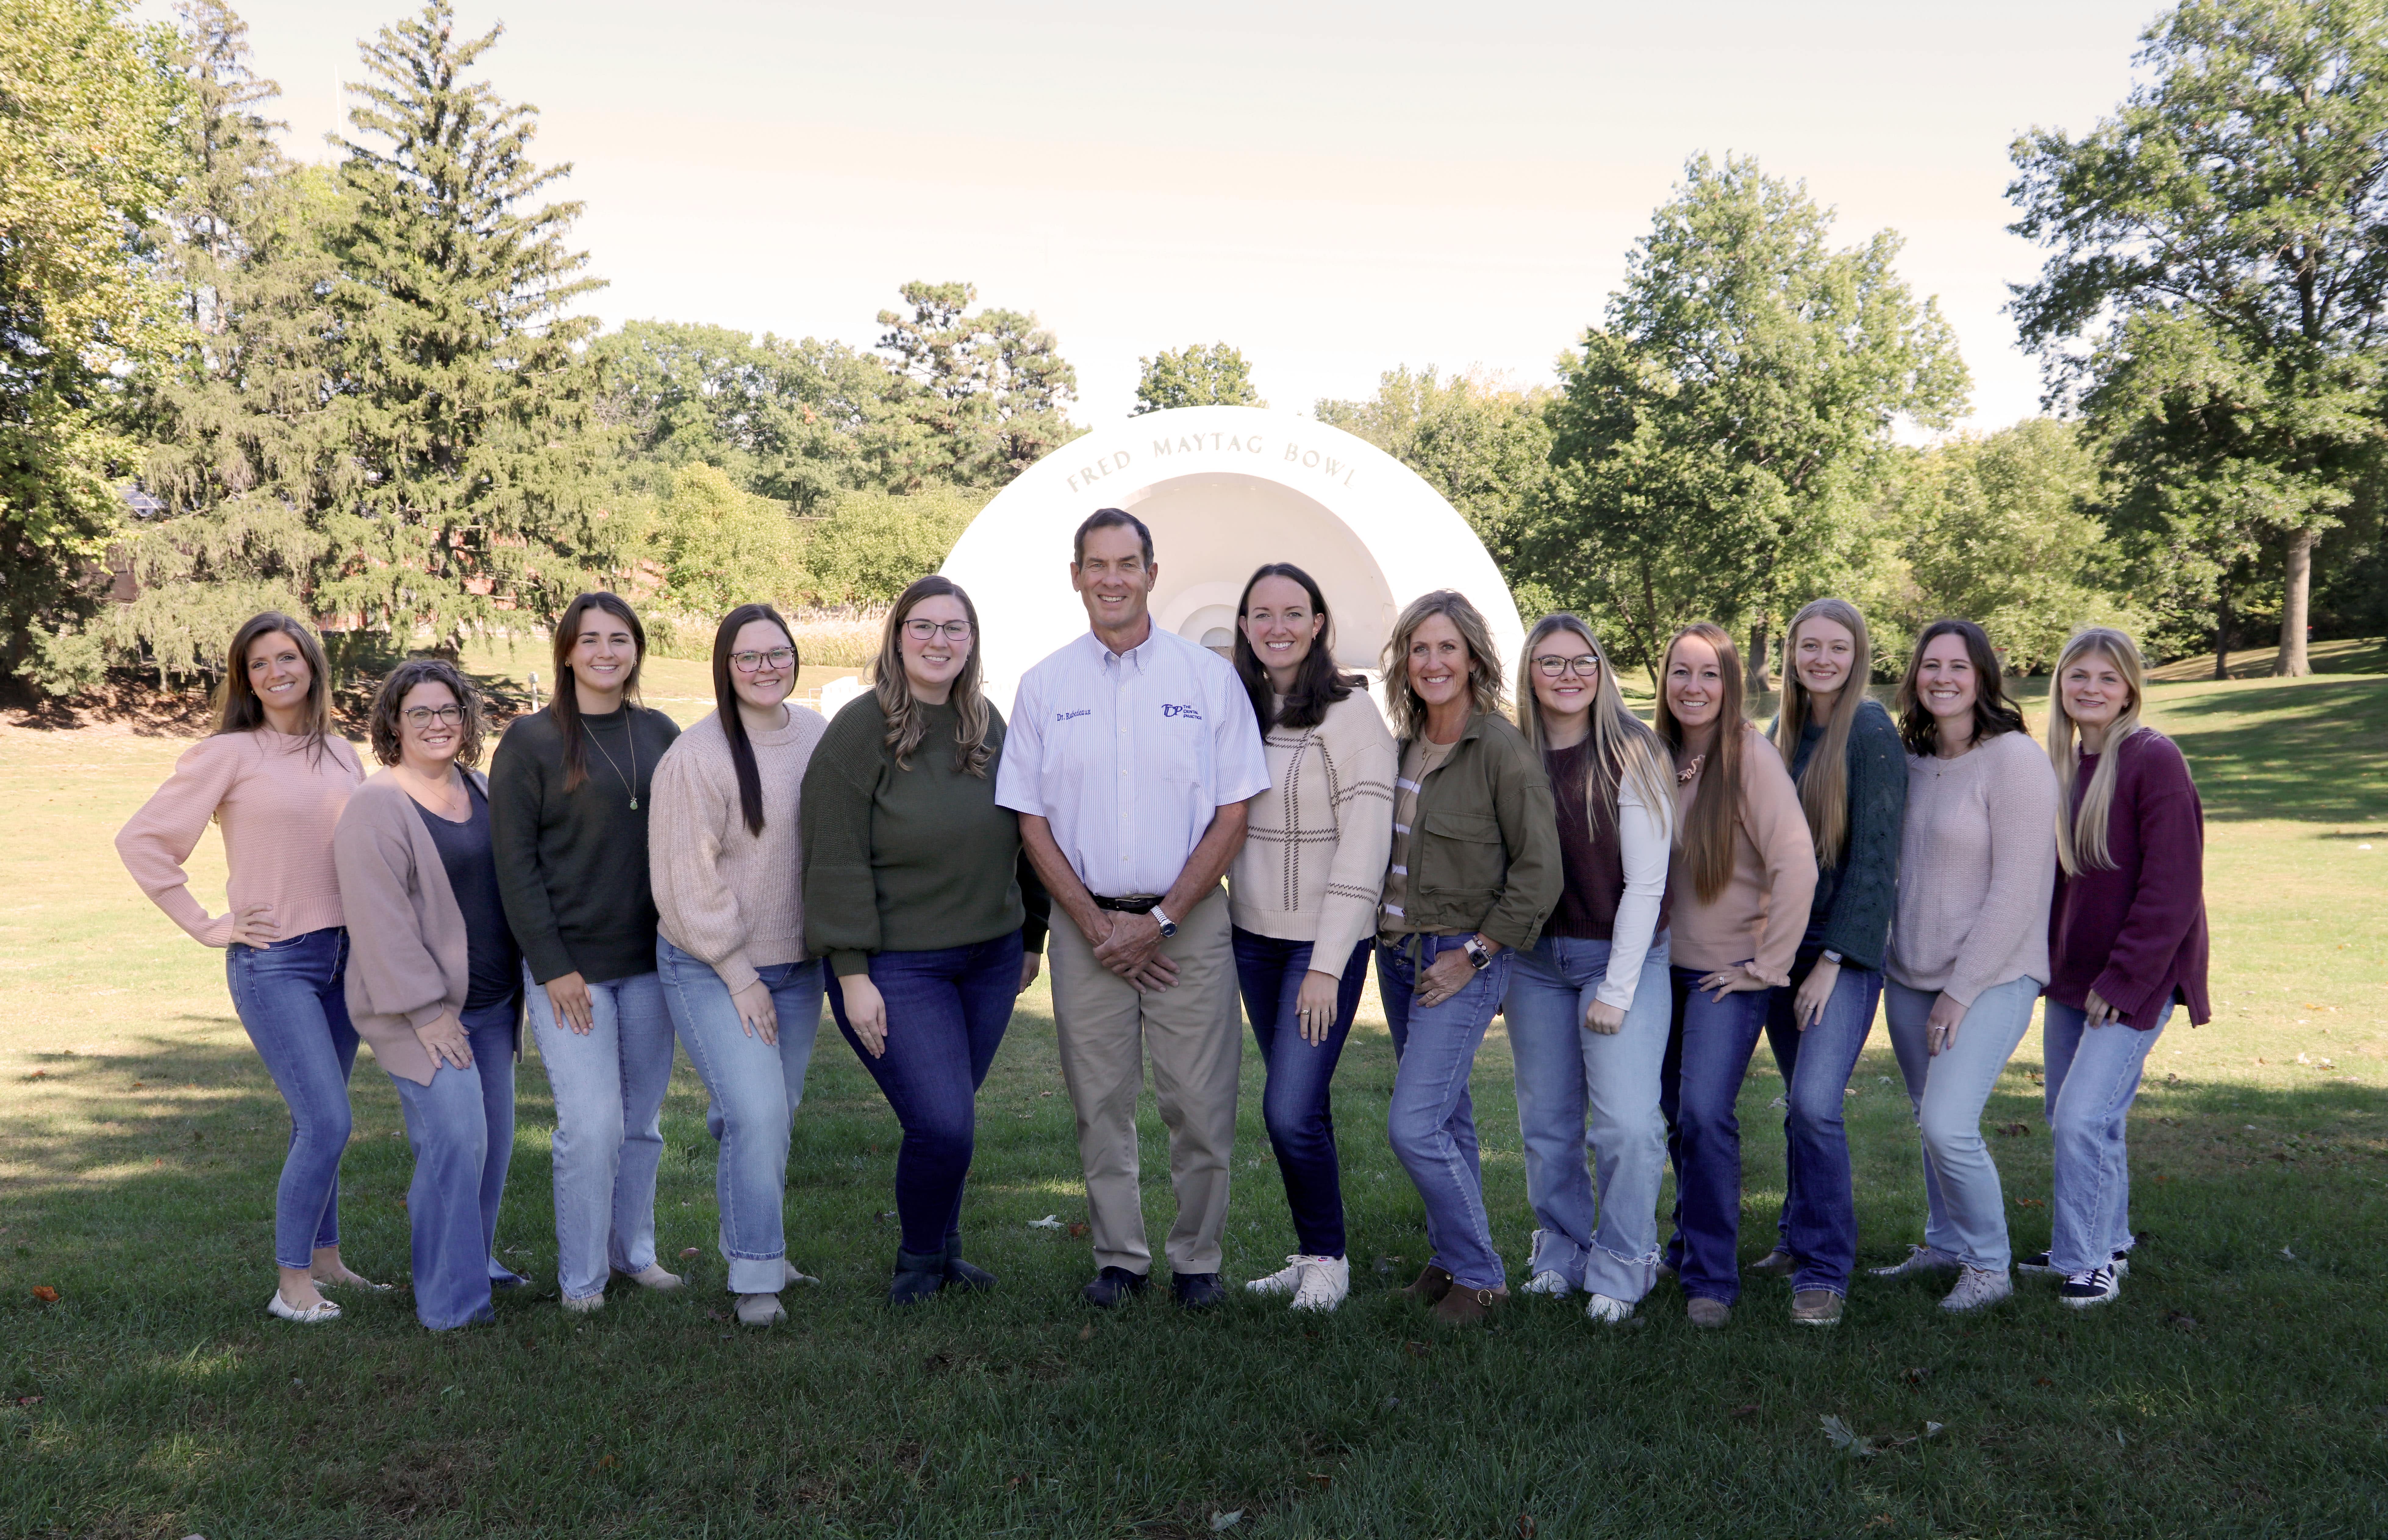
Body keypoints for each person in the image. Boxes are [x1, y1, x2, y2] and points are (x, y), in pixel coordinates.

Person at [996, 508, 1270, 1310]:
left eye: (1127, 562)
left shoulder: (1205, 679)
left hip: (1191, 924)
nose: (1111, 577)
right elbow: (1030, 819)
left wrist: (1161, 920)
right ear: (1075, 576)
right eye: (1096, 564)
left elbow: (1233, 813)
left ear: (1153, 572)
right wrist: (1092, 924)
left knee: (1199, 1101)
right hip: (1088, 929)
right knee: (1101, 1101)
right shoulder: (1046, 684)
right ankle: (1120, 1257)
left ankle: (1197, 1260)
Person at [117, 613, 374, 1323]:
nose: (274, 672)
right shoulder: (228, 754)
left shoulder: (343, 753)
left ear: (312, 665)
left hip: (344, 960)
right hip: (274, 963)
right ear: (246, 680)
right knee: (327, 1121)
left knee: (315, 1123)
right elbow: (141, 841)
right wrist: (207, 924)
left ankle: (328, 1263)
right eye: (257, 665)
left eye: (286, 657)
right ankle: (292, 1287)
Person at [803, 577, 1050, 1306]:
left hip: (991, 958)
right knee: (941, 1121)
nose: (939, 641)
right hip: (895, 968)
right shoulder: (860, 728)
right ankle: (916, 1267)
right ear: (897, 636)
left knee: (954, 1118)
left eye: (955, 628)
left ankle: (945, 1255)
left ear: (971, 642)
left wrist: (1032, 932)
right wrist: (851, 975)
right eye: (924, 627)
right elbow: (832, 855)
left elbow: (1029, 831)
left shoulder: (987, 723)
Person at [490, 592, 684, 1313]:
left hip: (653, 967)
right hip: (569, 971)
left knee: (641, 1125)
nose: (607, 652)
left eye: (621, 639)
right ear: (567, 651)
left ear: (636, 650)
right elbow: (514, 866)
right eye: (591, 639)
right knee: (592, 1125)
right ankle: (582, 1282)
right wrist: (552, 966)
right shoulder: (530, 742)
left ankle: (633, 1254)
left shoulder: (661, 732)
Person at [1376, 590, 1560, 1326]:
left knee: (1412, 1126)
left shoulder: (1501, 752)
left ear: (1474, 657)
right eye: (1420, 649)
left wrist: (1477, 956)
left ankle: (1483, 1277)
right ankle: (1452, 1259)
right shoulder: (1405, 745)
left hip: (1458, 958)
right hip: (1397, 953)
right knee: (1447, 1120)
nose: (1432, 662)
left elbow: (1538, 874)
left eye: (1446, 648)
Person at [1870, 618, 2059, 1314]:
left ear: (1983, 677)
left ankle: (1989, 1266)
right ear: (1914, 677)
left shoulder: (2014, 760)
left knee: (1950, 1123)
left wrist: (1960, 990)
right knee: (1928, 1119)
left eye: (1957, 666)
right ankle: (1945, 1242)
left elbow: (2017, 889)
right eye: (1929, 666)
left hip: (1992, 976)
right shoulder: (1913, 759)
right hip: (1909, 974)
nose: (1941, 678)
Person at [333, 659, 527, 1330]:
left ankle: (476, 1261)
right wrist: (427, 1013)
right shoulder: (377, 805)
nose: (438, 724)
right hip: (421, 1012)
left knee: (492, 1146)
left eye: (450, 711)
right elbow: (378, 920)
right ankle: (452, 1303)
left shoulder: (479, 787)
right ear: (394, 722)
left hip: (496, 1007)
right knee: (455, 1142)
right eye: (421, 713)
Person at [651, 604, 829, 1327]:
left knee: (768, 1117)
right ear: (725, 667)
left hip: (798, 963)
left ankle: (757, 1240)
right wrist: (738, 974)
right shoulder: (697, 757)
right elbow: (685, 885)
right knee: (755, 1113)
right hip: (710, 962)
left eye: (777, 653)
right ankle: (756, 1276)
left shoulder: (817, 734)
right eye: (748, 657)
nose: (766, 667)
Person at [1224, 563, 1395, 1313]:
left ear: (1319, 622)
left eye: (1294, 613)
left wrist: (1327, 967)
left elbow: (1364, 847)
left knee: (1288, 1109)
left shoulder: (1351, 714)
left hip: (1320, 950)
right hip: (1251, 941)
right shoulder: (1240, 709)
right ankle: (1315, 1251)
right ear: (1244, 625)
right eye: (1262, 614)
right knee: (1304, 1105)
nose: (1278, 627)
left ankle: (1331, 1262)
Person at [2024, 626, 2208, 1307]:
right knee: (2075, 1114)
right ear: (2060, 685)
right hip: (2075, 978)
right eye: (2079, 676)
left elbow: (2172, 888)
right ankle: (2110, 1237)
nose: (2090, 689)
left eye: (2106, 678)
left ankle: (2088, 1258)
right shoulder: (2066, 763)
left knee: (2081, 1118)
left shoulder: (2152, 759)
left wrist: (2125, 979)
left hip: (2134, 978)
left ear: (2130, 687)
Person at [1503, 613, 1678, 1325]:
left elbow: (1646, 884)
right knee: (1547, 1124)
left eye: (1582, 662)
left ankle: (1627, 1260)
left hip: (1620, 956)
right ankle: (1561, 1252)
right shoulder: (1514, 753)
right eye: (1551, 663)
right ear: (1530, 674)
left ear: (1601, 671)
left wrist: (1616, 989)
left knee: (1629, 1125)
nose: (1568, 676)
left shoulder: (1633, 751)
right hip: (1536, 963)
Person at [1744, 598, 1907, 1326]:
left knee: (1814, 1104)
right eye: (1808, 646)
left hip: (1839, 955)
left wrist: (1832, 961)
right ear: (1790, 654)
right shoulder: (1783, 733)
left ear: (1857, 654)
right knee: (1796, 1103)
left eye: (1836, 647)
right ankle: (1794, 1234)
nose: (1821, 659)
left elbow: (1875, 864)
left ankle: (1824, 1268)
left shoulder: (1868, 732)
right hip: (1782, 948)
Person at [1655, 622, 1816, 1329]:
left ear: (1731, 685)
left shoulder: (1749, 759)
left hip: (1726, 976)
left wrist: (1767, 967)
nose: (1694, 688)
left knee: (1702, 1115)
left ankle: (1711, 1282)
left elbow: (1797, 866)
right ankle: (1690, 1239)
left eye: (1709, 675)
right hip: (1658, 972)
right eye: (1681, 674)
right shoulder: (1653, 755)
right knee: (1670, 1117)